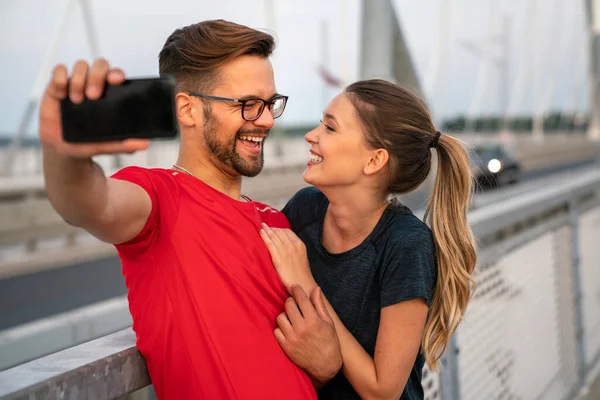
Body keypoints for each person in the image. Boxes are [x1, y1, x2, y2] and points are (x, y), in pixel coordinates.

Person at [39, 19, 341, 400]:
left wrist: (326, 367)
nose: (265, 120)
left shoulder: (277, 222)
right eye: (248, 104)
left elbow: (284, 363)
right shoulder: (160, 199)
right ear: (187, 109)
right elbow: (89, 204)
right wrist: (62, 155)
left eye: (270, 104)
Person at [260, 79, 477, 400]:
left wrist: (305, 281)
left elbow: (382, 390)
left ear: (374, 160)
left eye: (330, 128)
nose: (311, 135)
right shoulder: (306, 208)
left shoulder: (406, 245)